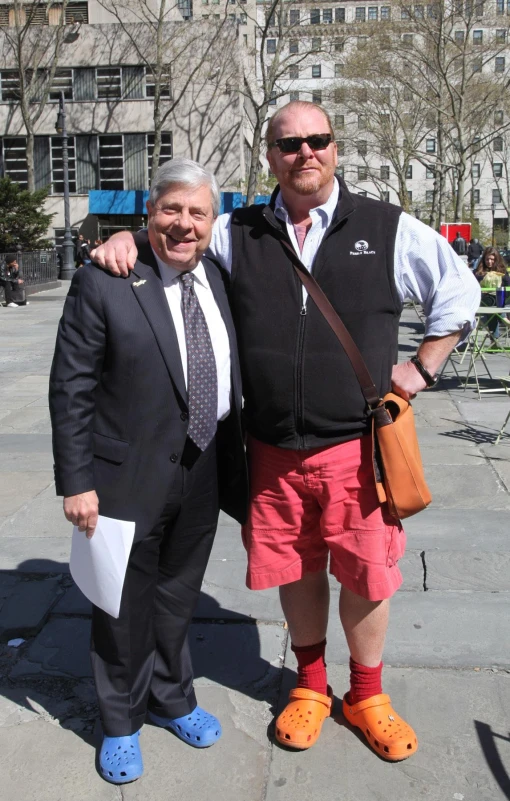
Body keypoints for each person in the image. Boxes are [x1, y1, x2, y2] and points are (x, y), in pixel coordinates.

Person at [92, 101, 480, 763]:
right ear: (269, 155)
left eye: (317, 140)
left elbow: (458, 290)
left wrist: (421, 367)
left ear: (335, 149)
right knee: (295, 569)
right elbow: (175, 237)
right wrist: (126, 236)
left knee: (364, 575)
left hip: (357, 447)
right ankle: (310, 684)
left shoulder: (386, 227)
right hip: (270, 449)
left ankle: (367, 693)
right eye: (289, 143)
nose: (304, 153)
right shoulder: (237, 231)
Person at [49, 159, 248, 784]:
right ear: (148, 212)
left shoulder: (216, 274)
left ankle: (171, 697)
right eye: (171, 210)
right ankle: (119, 721)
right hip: (123, 475)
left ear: (213, 223)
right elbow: (71, 387)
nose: (183, 225)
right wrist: (75, 480)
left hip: (203, 467)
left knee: (177, 597)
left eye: (198, 213)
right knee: (121, 607)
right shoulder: (105, 279)